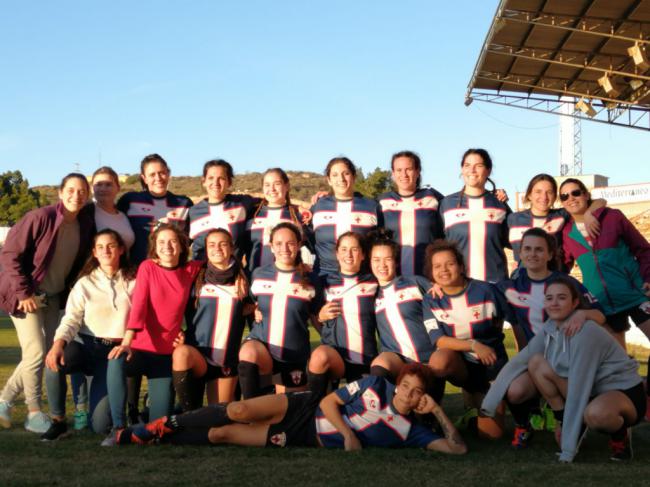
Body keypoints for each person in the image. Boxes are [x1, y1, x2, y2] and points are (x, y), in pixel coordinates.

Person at [116, 363, 467, 455]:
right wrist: (348, 435)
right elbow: (330, 401)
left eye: (416, 392)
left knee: (221, 434)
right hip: (305, 406)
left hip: (303, 437)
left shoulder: (412, 432)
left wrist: (437, 411)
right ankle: (154, 426)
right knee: (237, 410)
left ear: (422, 399)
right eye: (405, 385)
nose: (406, 393)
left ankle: (160, 439)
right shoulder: (377, 385)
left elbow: (458, 449)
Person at [482, 276, 645, 462]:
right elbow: (521, 360)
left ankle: (620, 436)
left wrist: (568, 449)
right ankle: (561, 415)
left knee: (596, 415)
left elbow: (579, 387)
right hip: (591, 392)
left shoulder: (586, 332)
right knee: (536, 361)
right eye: (549, 298)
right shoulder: (550, 327)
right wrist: (490, 402)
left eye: (562, 297)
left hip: (622, 392)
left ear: (575, 303)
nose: (555, 303)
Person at [0, 173, 94, 433]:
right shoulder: (41, 217)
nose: (77, 195)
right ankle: (33, 412)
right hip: (26, 295)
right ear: (61, 193)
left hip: (52, 297)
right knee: (36, 353)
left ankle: (4, 400)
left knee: (49, 353)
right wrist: (23, 293)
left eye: (82, 191)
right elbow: (10, 255)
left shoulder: (84, 224)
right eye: (72, 190)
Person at [41, 230, 135, 441]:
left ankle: (118, 417)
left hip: (113, 352)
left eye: (111, 245)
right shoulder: (84, 283)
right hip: (85, 346)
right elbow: (71, 319)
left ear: (121, 249)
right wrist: (57, 344)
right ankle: (58, 422)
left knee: (100, 426)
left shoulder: (134, 281)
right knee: (53, 362)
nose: (106, 250)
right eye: (100, 247)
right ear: (94, 252)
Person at [107, 223, 202, 423]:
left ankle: (149, 410)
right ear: (155, 247)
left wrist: (240, 278)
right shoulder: (148, 267)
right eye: (161, 242)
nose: (167, 246)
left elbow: (222, 264)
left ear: (182, 246)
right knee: (116, 361)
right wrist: (127, 342)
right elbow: (139, 305)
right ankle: (118, 425)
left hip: (165, 354)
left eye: (173, 241)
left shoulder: (191, 270)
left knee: (159, 422)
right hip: (140, 348)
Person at [422, 240, 509, 438]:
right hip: (463, 365)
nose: (444, 270)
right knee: (438, 361)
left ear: (461, 266)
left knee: (491, 436)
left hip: (492, 366)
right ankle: (431, 420)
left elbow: (510, 320)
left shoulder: (486, 291)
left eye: (450, 264)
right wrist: (473, 345)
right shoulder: (431, 299)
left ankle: (481, 402)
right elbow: (439, 340)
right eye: (437, 266)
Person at [559, 178, 650, 350]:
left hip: (636, 292)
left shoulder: (612, 216)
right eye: (564, 196)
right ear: (562, 203)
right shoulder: (566, 232)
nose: (570, 198)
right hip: (602, 302)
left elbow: (643, 249)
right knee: (618, 359)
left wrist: (648, 277)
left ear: (586, 195)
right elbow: (563, 267)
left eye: (576, 193)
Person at [238, 223, 318, 398]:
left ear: (298, 245)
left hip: (293, 352)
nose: (284, 248)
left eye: (290, 243)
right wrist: (254, 309)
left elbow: (316, 315)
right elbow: (249, 302)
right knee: (247, 353)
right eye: (279, 243)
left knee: (289, 413)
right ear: (271, 247)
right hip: (263, 346)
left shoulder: (311, 278)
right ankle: (252, 414)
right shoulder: (258, 274)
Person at [173, 229, 250, 411]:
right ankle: (186, 413)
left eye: (223, 244)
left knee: (219, 419)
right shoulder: (195, 274)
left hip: (225, 359)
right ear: (206, 249)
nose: (217, 248)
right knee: (181, 353)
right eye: (212, 245)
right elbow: (170, 305)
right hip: (198, 356)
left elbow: (265, 301)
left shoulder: (244, 277)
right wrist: (175, 332)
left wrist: (257, 309)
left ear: (231, 248)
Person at [497, 227, 605, 350]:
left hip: (567, 354)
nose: (532, 254)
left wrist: (582, 314)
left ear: (549, 255)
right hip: (533, 357)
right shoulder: (510, 288)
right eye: (527, 249)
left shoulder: (567, 283)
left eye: (539, 250)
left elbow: (600, 316)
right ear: (520, 254)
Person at [366, 230, 438, 397]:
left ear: (396, 262)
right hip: (398, 362)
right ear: (369, 262)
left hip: (429, 361)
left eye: (388, 259)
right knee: (380, 363)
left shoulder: (415, 282)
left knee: (422, 418)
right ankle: (380, 413)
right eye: (376, 260)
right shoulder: (370, 294)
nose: (382, 265)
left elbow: (442, 302)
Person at [308, 232, 378, 399]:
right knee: (319, 357)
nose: (349, 254)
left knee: (361, 414)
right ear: (337, 254)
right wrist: (320, 317)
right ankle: (311, 411)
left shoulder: (374, 282)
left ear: (362, 255)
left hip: (364, 356)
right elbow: (310, 311)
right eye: (344, 249)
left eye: (354, 249)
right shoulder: (323, 281)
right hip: (334, 355)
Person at [440, 148, 511, 283]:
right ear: (462, 169)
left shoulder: (499, 204)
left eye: (478, 166)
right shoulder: (446, 205)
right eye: (467, 166)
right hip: (458, 286)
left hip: (495, 286)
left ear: (488, 170)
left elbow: (516, 243)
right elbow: (436, 248)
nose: (472, 170)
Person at [507, 174, 602, 271]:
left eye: (549, 192)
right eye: (538, 192)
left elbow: (600, 201)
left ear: (555, 197)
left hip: (554, 280)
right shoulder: (513, 219)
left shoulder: (562, 215)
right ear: (529, 195)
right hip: (521, 281)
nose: (544, 197)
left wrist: (588, 214)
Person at [117, 153, 193, 266]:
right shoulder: (129, 200)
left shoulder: (184, 203)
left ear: (168, 173)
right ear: (144, 178)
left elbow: (189, 239)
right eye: (152, 174)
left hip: (172, 271)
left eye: (162, 173)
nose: (158, 178)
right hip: (136, 271)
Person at [377, 151, 444, 277]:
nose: (404, 174)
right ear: (393, 173)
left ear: (418, 171)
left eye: (409, 169)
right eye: (399, 170)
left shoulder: (433, 197)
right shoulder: (382, 202)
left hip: (428, 279)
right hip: (394, 279)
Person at [310, 157, 381, 276]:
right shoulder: (318, 206)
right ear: (329, 180)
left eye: (346, 173)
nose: (341, 179)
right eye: (335, 175)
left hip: (362, 279)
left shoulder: (371, 206)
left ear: (354, 177)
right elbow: (305, 238)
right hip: (324, 277)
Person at [189, 159, 257, 262]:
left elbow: (271, 202)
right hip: (201, 275)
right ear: (204, 181)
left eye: (221, 178)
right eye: (211, 178)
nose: (215, 183)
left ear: (229, 182)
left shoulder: (242, 204)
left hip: (233, 274)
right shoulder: (193, 211)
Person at [245, 168, 309, 274]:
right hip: (255, 282)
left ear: (287, 186)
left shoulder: (298, 216)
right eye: (267, 185)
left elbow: (316, 248)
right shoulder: (251, 214)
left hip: (290, 282)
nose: (272, 189)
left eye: (277, 184)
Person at [91, 166, 135, 251]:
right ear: (92, 189)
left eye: (108, 184)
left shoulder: (124, 215)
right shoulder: (87, 214)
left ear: (118, 188)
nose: (103, 189)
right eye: (99, 184)